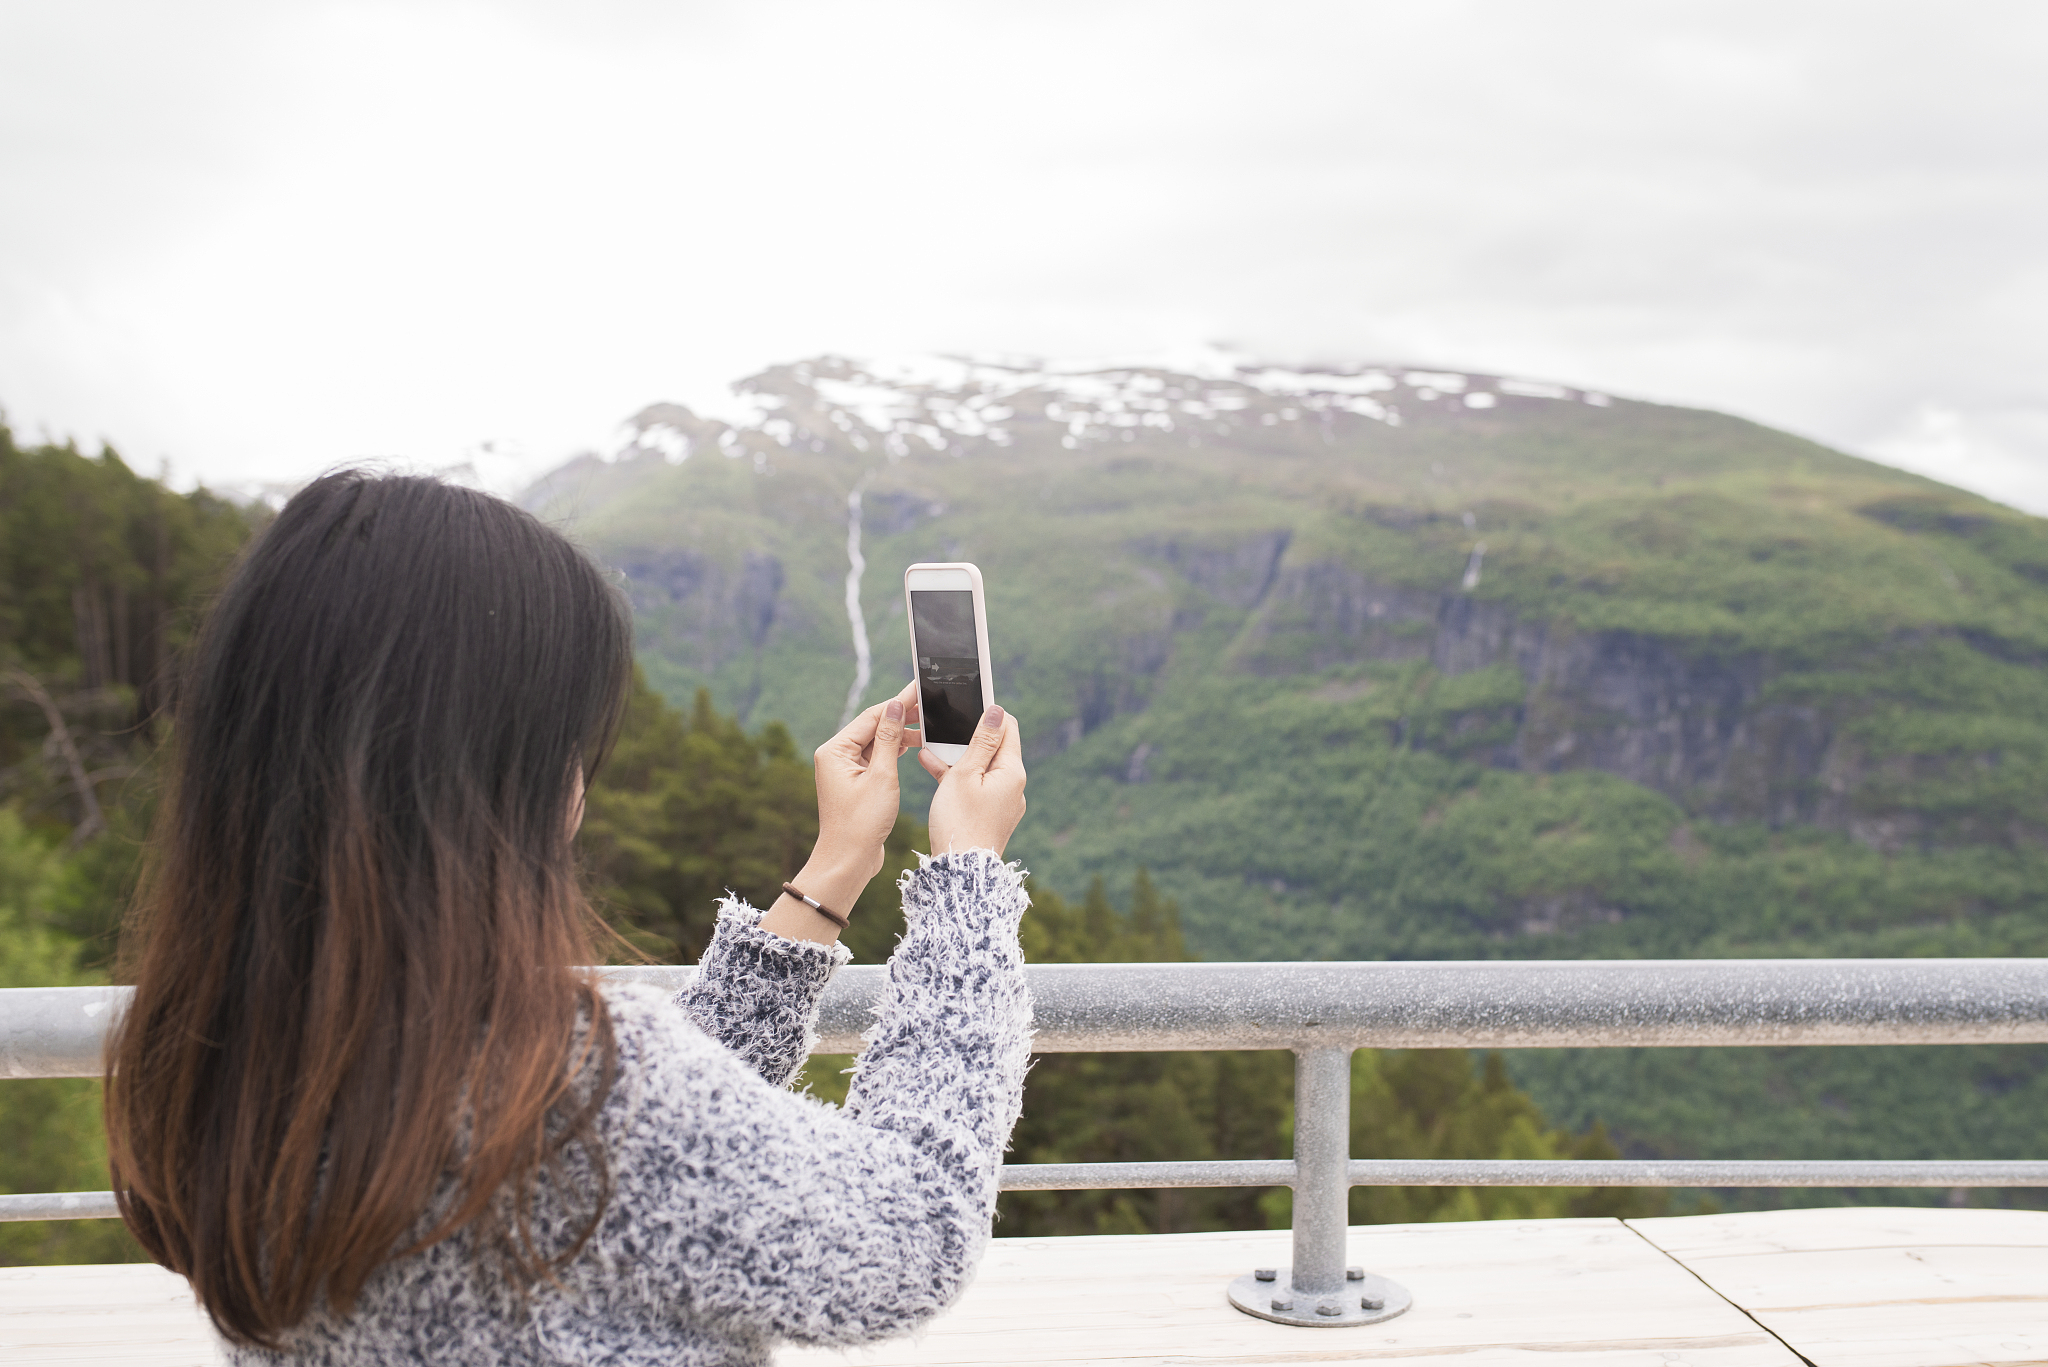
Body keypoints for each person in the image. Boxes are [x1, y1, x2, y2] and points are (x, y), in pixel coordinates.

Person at [103, 471, 1032, 1365]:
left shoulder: (223, 1051)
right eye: (567, 741)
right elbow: (905, 1233)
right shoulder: (580, 1090)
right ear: (484, 768)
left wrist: (833, 870)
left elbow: (645, 1158)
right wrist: (966, 884)